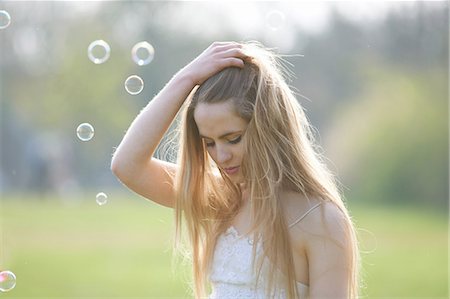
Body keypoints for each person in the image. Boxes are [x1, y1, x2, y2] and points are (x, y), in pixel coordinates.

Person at [111, 41, 359, 299]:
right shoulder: (223, 200)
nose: (221, 156)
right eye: (209, 143)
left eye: (233, 138)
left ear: (269, 127)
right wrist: (187, 78)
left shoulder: (321, 220)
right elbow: (127, 166)